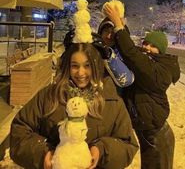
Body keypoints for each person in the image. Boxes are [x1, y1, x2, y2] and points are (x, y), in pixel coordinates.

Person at [10, 43, 139, 169]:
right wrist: (45, 155)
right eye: (75, 66)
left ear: (96, 67)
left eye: (87, 66)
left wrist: (101, 151)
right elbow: (20, 130)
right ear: (67, 67)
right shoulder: (49, 96)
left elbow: (127, 145)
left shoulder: (112, 102)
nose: (80, 73)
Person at [103, 2, 181, 169]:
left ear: (161, 50)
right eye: (145, 43)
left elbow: (133, 55)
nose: (147, 47)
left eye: (153, 46)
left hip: (158, 137)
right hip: (148, 133)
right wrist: (119, 27)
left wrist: (118, 24)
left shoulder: (161, 71)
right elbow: (129, 49)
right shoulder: (150, 61)